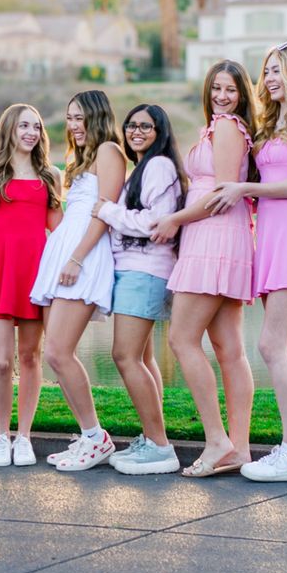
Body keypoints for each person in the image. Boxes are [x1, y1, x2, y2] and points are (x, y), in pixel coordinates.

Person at [207, 41, 287, 482]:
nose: (270, 78)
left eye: (278, 70)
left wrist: (243, 191)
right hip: (271, 239)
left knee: (270, 346)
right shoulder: (272, 125)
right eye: (267, 71)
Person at [151, 60, 257, 477]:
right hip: (213, 238)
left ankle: (217, 441)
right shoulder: (217, 127)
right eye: (216, 88)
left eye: (230, 89)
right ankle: (241, 449)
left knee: (181, 338)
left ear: (242, 94)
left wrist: (173, 221)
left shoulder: (229, 127)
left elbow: (222, 194)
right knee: (229, 349)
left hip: (214, 237)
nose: (221, 96)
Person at [0, 104, 62, 467]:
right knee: (2, 362)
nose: (32, 132)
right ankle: (1, 435)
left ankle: (24, 437)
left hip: (36, 273)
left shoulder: (50, 174)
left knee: (31, 357)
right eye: (24, 126)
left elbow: (59, 230)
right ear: (9, 130)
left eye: (36, 126)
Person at [31, 90, 126, 471]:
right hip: (65, 253)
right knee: (54, 352)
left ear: (97, 117)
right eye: (69, 118)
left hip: (85, 256)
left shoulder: (109, 152)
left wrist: (75, 257)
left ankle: (95, 437)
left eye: (80, 117)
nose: (73, 125)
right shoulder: (78, 157)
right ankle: (87, 437)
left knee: (58, 351)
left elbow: (105, 214)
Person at [92, 104, 186, 475]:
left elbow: (153, 222)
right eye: (130, 125)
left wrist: (106, 210)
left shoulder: (159, 165)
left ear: (160, 130)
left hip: (145, 272)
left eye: (145, 126)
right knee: (143, 359)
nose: (135, 131)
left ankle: (160, 447)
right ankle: (152, 439)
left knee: (124, 356)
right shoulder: (144, 168)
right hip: (135, 271)